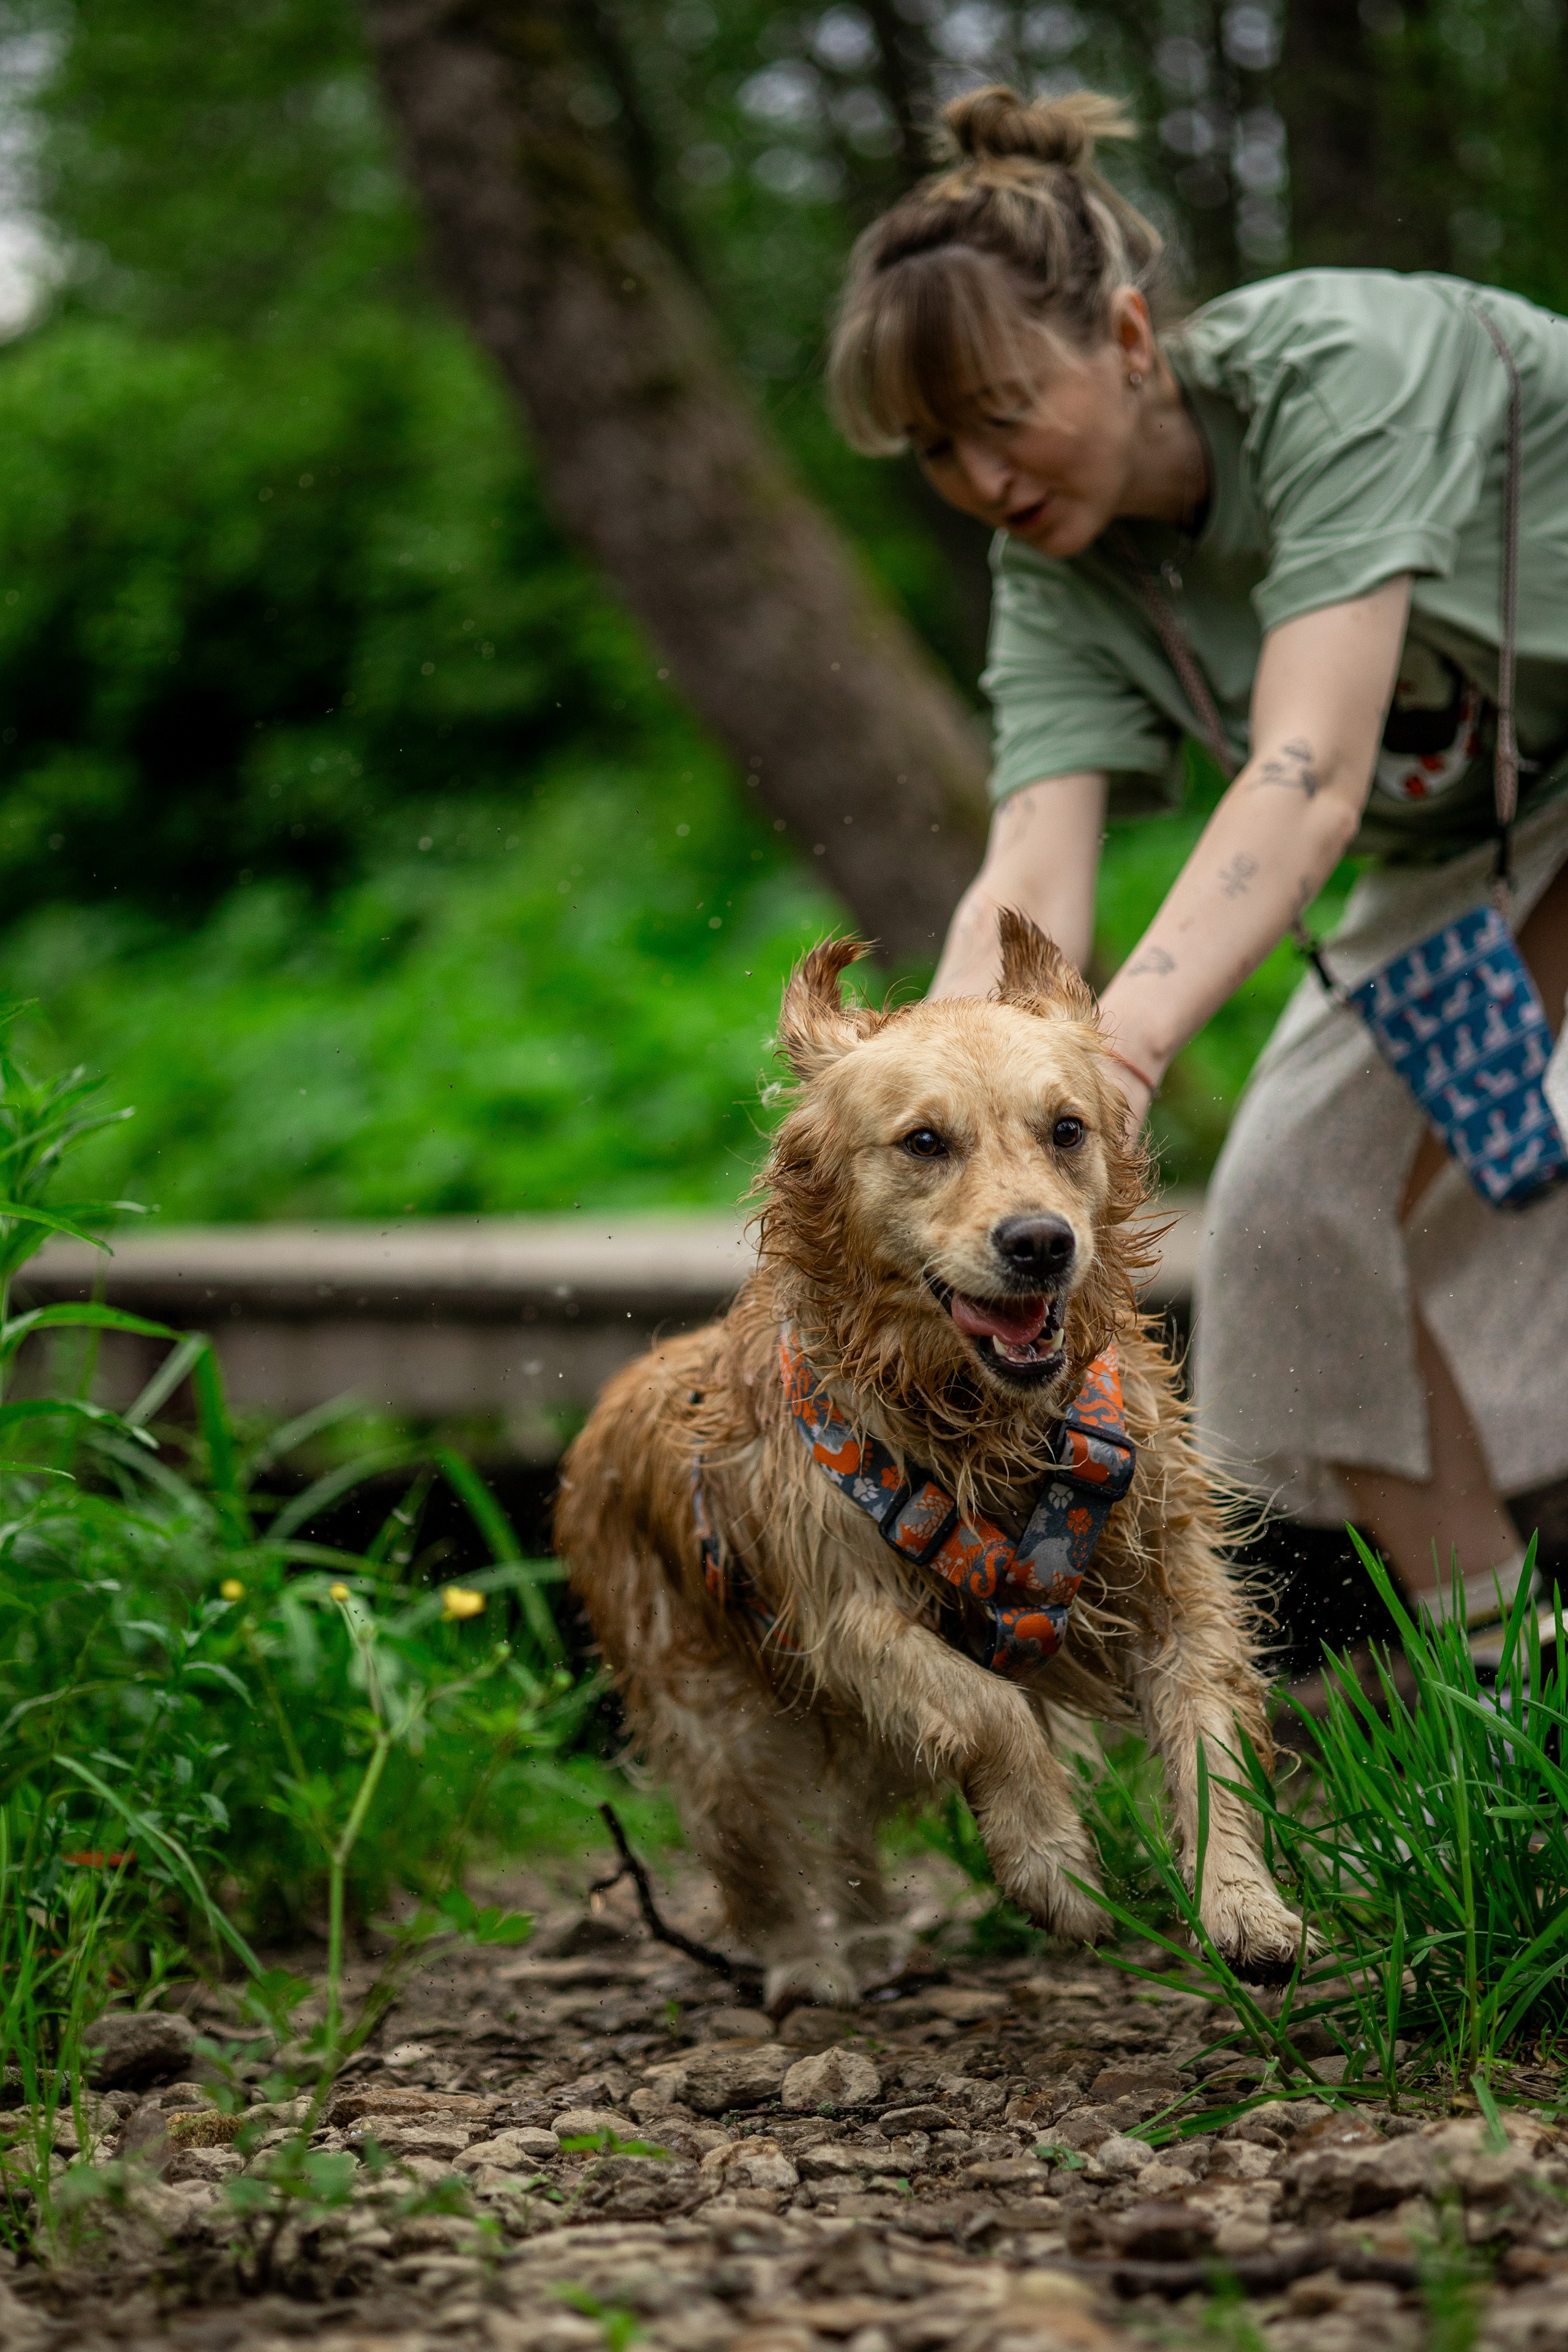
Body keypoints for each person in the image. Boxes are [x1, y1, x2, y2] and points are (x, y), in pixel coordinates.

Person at [827, 82, 1568, 1636]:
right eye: (936, 451)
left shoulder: (1337, 369)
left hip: (1518, 819)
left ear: (1127, 337)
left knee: (1377, 1191)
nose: (980, 479)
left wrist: (1106, 1063)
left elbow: (1305, 779)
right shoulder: (1056, 570)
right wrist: (939, 1087)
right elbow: (1028, 860)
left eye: (1002, 413)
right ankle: (1508, 1692)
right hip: (1489, 849)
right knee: (1300, 1217)